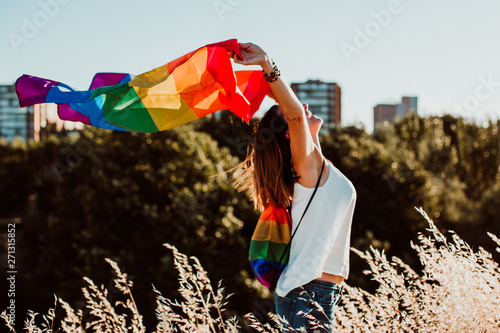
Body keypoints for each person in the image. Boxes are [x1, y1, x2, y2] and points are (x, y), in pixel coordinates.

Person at [231, 43, 357, 332]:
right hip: (310, 292)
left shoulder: (317, 166)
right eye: (295, 110)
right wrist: (266, 64)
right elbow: (296, 114)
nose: (304, 107)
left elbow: (295, 114)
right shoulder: (306, 168)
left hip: (312, 292)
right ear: (289, 132)